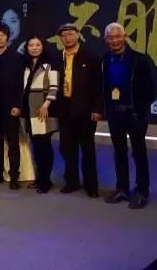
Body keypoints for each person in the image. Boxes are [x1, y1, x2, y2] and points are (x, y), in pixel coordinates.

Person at [101, 23, 155, 209]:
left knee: (139, 153)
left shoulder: (140, 59)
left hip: (135, 114)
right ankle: (122, 188)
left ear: (124, 37)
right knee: (119, 152)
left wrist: (141, 111)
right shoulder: (105, 59)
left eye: (118, 36)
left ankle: (142, 191)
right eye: (111, 37)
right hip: (114, 114)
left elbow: (150, 88)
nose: (114, 40)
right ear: (106, 40)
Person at [55, 23, 103, 198]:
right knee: (67, 148)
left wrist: (97, 108)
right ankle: (72, 182)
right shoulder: (56, 58)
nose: (67, 38)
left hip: (85, 109)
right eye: (64, 35)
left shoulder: (90, 56)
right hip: (64, 109)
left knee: (87, 148)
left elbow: (98, 85)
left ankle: (91, 185)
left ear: (78, 35)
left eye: (70, 34)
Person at [21, 36, 59, 194]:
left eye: (38, 45)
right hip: (29, 112)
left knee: (45, 147)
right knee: (36, 147)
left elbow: (54, 87)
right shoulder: (25, 65)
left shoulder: (50, 64)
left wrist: (46, 104)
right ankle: (40, 178)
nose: (34, 48)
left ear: (43, 47)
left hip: (43, 111)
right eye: (31, 45)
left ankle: (46, 181)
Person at [0, 23, 23, 189]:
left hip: (11, 107)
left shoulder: (17, 57)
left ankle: (14, 176)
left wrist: (17, 105)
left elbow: (20, 84)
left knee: (13, 144)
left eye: (2, 35)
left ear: (7, 38)